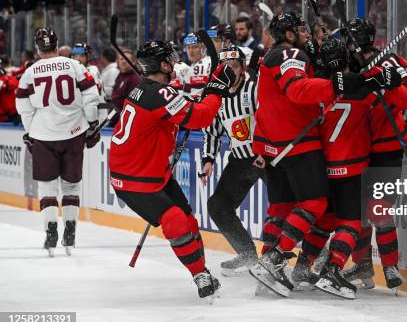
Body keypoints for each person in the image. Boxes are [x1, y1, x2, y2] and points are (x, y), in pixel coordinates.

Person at [109, 40, 239, 300]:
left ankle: (202, 271)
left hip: (154, 172)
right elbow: (200, 117)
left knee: (189, 220)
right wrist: (216, 90)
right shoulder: (156, 94)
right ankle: (200, 275)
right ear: (163, 64)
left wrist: (208, 90)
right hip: (133, 179)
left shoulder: (151, 90)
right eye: (170, 57)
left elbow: (185, 103)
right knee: (176, 221)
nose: (176, 60)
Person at [249, 12, 367, 297]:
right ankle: (274, 259)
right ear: (288, 34)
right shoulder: (290, 53)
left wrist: (261, 146)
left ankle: (268, 267)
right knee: (315, 202)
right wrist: (335, 85)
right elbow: (298, 90)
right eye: (300, 29)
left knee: (281, 207)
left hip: (273, 145)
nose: (305, 34)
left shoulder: (270, 57)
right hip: (297, 143)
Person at [292, 38, 407, 299]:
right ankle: (334, 269)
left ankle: (301, 267)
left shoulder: (320, 89)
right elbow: (391, 100)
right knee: (353, 223)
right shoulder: (362, 90)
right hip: (353, 168)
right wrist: (385, 77)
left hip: (325, 167)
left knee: (323, 222)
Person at [341, 17, 407, 292]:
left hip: (387, 149)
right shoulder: (350, 65)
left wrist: (388, 83)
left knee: (379, 209)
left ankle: (390, 266)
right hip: (358, 150)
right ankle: (362, 265)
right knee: (359, 212)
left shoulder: (390, 61)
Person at [15, 28, 100, 257]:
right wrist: (92, 124)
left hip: (43, 136)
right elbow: (91, 96)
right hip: (74, 133)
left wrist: (31, 131)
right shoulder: (74, 66)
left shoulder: (30, 72)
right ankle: (70, 228)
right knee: (71, 186)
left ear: (37, 47)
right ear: (57, 43)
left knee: (47, 187)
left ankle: (50, 227)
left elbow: (23, 106)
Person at [199, 44, 262, 276]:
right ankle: (247, 253)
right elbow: (212, 131)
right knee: (218, 206)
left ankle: (279, 258)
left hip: (264, 158)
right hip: (239, 160)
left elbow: (269, 119)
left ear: (243, 68)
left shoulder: (254, 89)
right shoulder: (217, 96)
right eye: (225, 67)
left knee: (283, 208)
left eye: (234, 67)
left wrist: (266, 151)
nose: (230, 71)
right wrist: (208, 159)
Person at [110, 48, 141, 124]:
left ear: (133, 62)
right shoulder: (120, 75)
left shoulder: (135, 78)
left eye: (126, 59)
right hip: (115, 117)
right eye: (121, 59)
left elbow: (134, 103)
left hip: (125, 120)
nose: (123, 61)